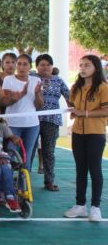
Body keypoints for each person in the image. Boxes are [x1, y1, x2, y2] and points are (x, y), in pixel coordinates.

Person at [64, 55, 108, 222]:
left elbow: (106, 111)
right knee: (80, 169)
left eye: (87, 65)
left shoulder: (103, 87)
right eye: (81, 65)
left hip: (95, 134)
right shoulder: (76, 87)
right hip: (77, 134)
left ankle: (95, 207)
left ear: (95, 67)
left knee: (95, 169)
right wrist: (74, 112)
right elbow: (74, 107)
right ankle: (80, 205)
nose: (82, 68)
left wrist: (85, 113)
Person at [2, 54, 43, 173]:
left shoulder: (36, 80)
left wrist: (38, 93)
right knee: (10, 154)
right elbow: (6, 100)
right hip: (12, 124)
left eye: (25, 64)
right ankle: (8, 185)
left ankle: (23, 186)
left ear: (30, 66)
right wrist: (21, 94)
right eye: (19, 63)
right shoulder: (8, 79)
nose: (21, 67)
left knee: (27, 155)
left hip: (32, 125)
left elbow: (39, 105)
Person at [35, 54, 69, 191]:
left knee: (49, 152)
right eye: (42, 64)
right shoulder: (31, 78)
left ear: (52, 66)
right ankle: (21, 181)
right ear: (36, 67)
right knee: (29, 151)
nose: (45, 67)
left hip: (52, 120)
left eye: (48, 64)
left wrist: (77, 109)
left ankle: (49, 181)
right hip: (32, 120)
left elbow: (69, 96)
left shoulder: (58, 80)